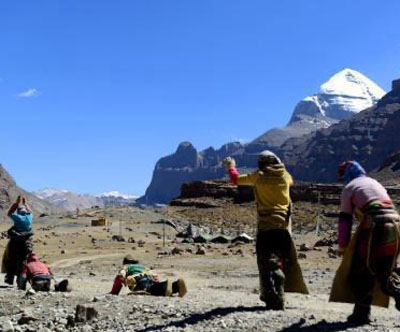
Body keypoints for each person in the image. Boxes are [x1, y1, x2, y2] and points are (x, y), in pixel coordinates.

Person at [223, 151, 308, 310]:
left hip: (265, 225)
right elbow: (291, 181)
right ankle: (280, 295)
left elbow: (236, 180)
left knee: (265, 262)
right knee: (280, 260)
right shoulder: (285, 176)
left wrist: (231, 167)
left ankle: (271, 298)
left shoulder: (258, 176)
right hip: (283, 226)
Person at [330, 161, 400, 325]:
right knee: (385, 267)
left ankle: (362, 313)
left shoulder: (350, 188)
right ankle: (361, 314)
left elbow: (345, 220)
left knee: (363, 268)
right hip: (396, 224)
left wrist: (343, 246)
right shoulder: (375, 182)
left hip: (376, 225)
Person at [110, 256, 187, 297]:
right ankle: (176, 285)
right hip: (149, 278)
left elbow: (120, 275)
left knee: (149, 291)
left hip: (140, 282)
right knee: (155, 287)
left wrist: (114, 292)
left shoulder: (127, 266)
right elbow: (155, 276)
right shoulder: (143, 267)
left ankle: (168, 287)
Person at [2, 196, 34, 285]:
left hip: (15, 241)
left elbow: (9, 213)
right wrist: (25, 203)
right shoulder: (29, 217)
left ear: (19, 211)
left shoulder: (17, 217)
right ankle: (22, 278)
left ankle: (9, 278)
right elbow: (30, 211)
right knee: (24, 260)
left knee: (11, 258)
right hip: (27, 242)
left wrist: (16, 203)